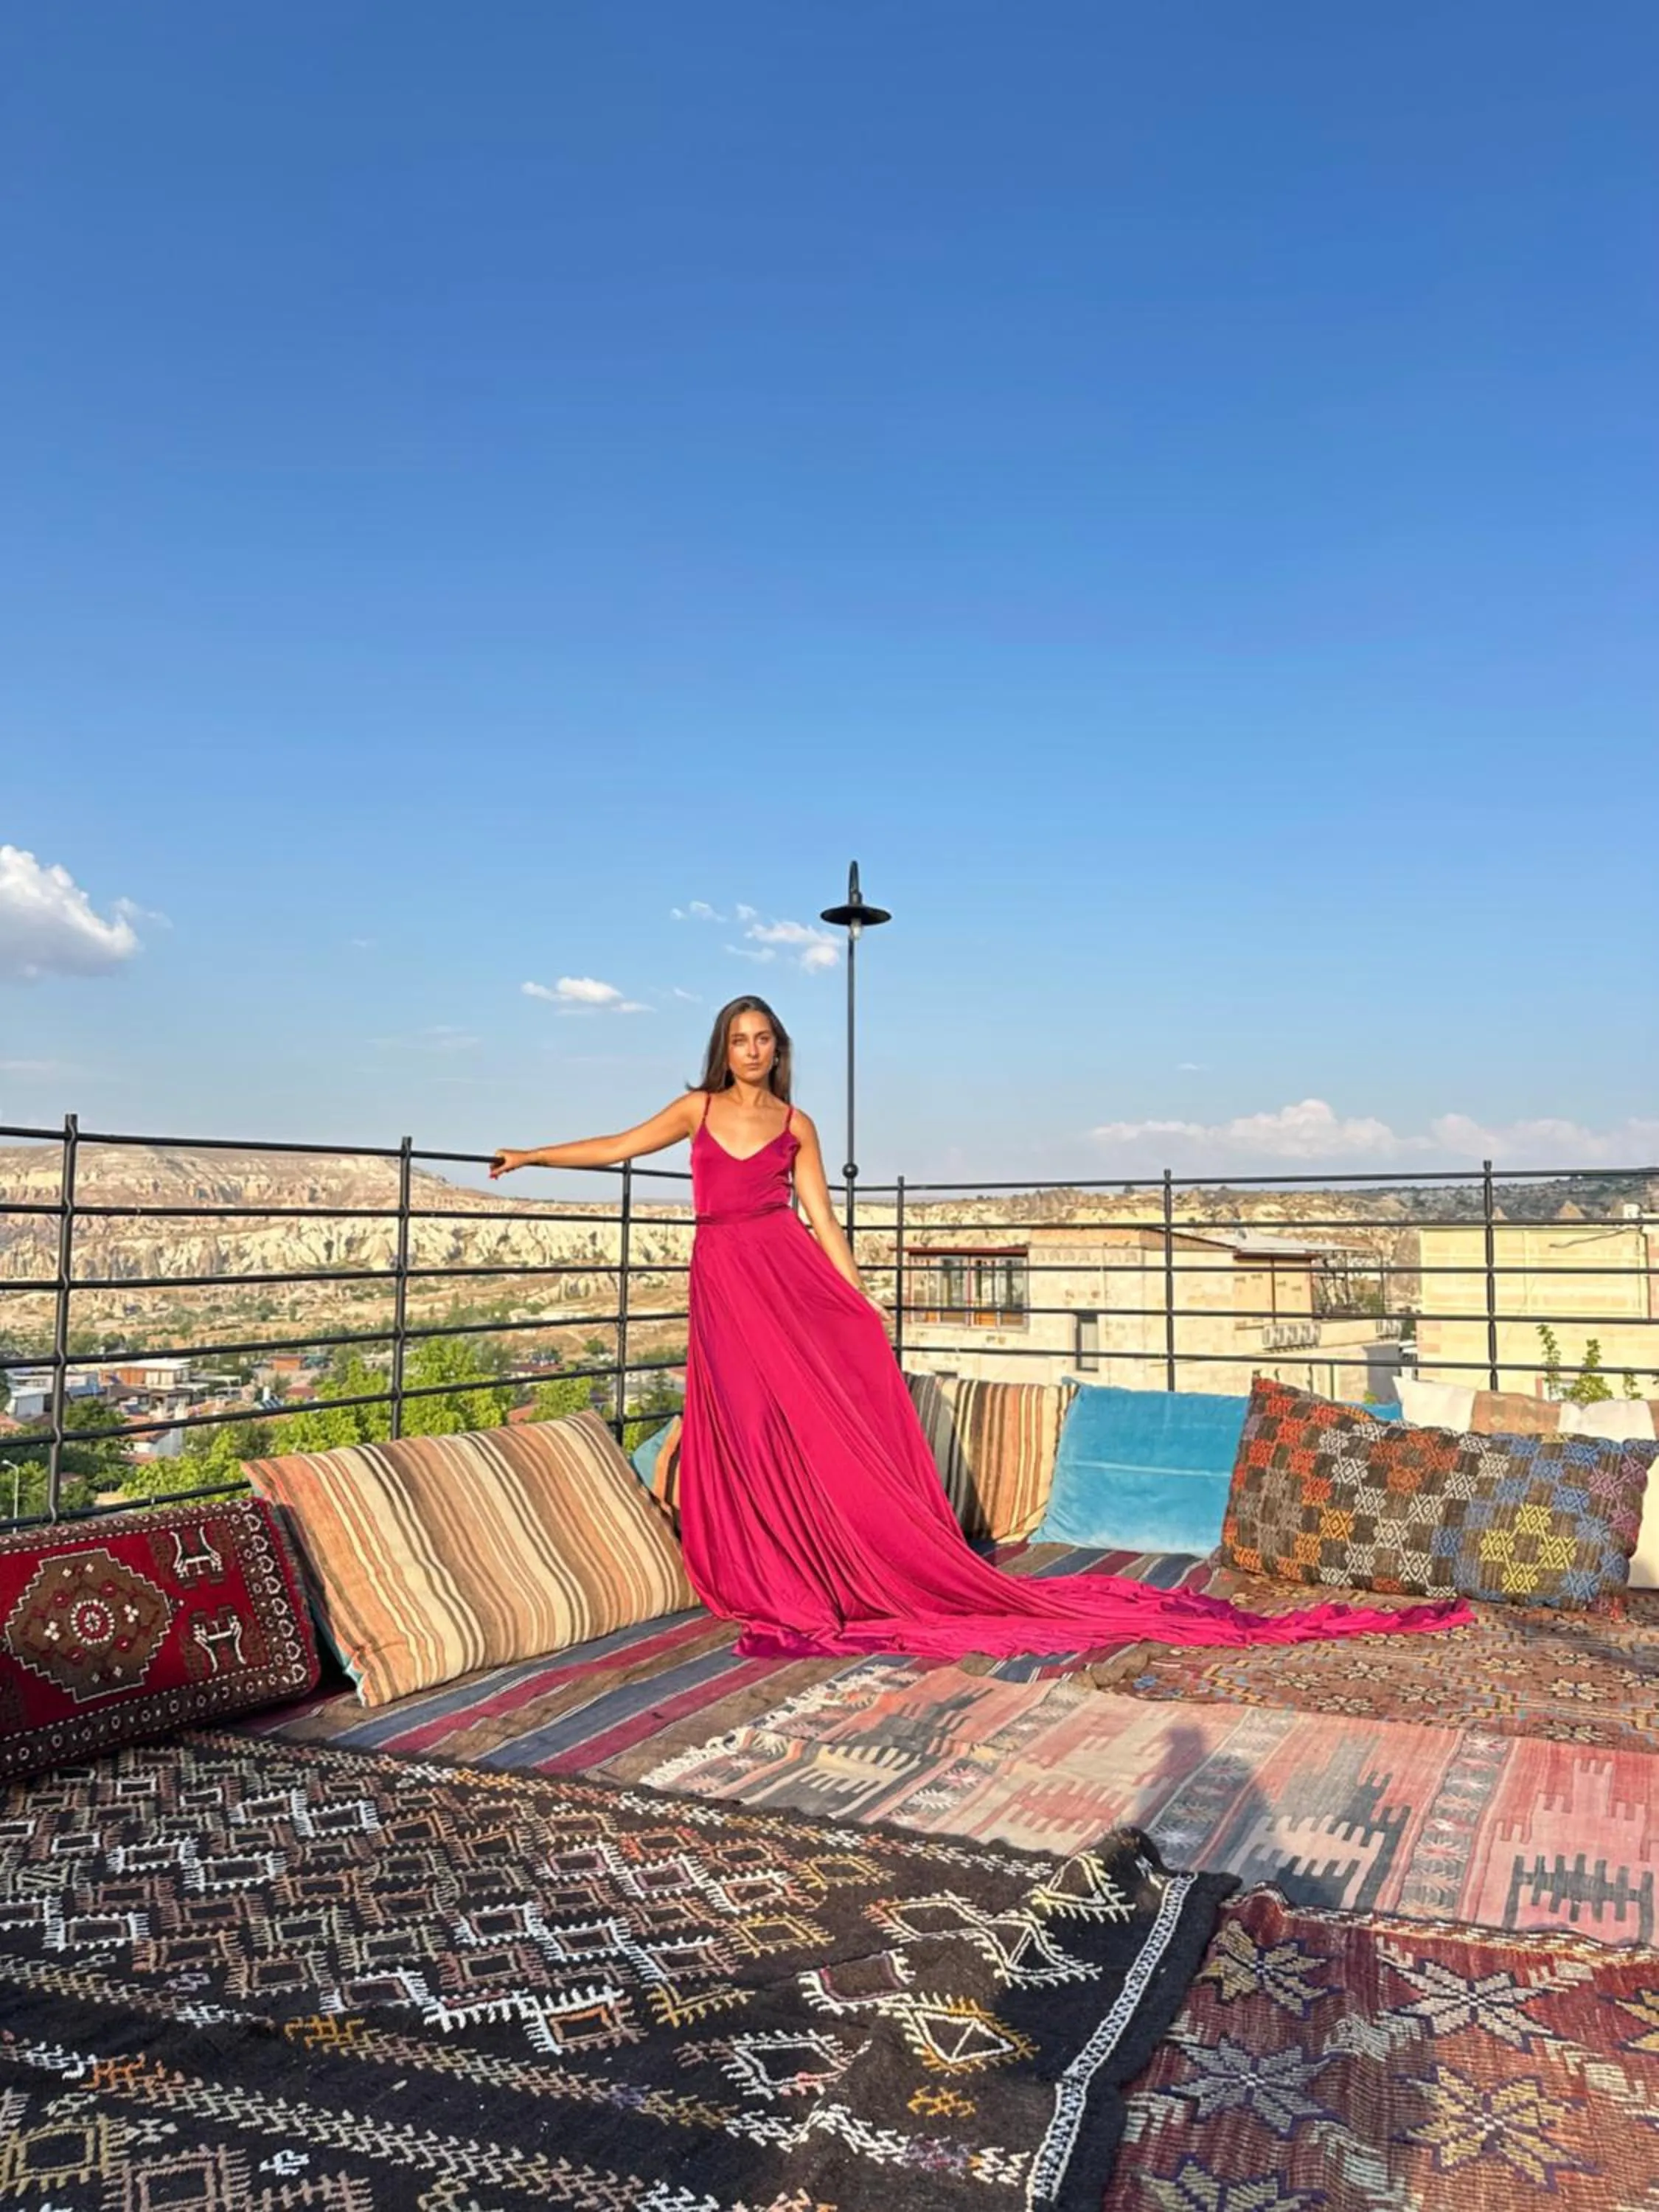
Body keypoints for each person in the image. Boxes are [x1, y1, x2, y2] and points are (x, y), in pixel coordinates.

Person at [491, 995, 1471, 1661]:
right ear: (721, 1047)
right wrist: (531, 1152)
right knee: (732, 1412)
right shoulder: (695, 1108)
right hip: (723, 1275)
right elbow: (619, 1147)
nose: (751, 1050)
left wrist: (859, 1306)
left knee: (792, 1415)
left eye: (762, 1039)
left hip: (785, 1273)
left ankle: (800, 1555)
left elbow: (825, 1222)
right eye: (739, 1037)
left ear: (776, 1050)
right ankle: (732, 1540)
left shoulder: (794, 1126)